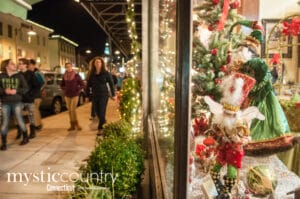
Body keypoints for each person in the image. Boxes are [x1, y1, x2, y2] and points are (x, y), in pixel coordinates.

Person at [230, 20, 298, 155]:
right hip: (249, 94)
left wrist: (252, 91)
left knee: (258, 119)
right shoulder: (246, 64)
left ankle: (254, 143)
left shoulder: (257, 63)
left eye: (246, 48)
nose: (242, 51)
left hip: (260, 96)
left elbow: (264, 80)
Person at [0, 59, 29, 150]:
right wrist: (4, 91)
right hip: (5, 102)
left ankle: (25, 137)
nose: (14, 65)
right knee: (5, 122)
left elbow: (25, 88)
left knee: (19, 119)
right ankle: (4, 143)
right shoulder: (1, 76)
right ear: (6, 66)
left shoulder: (19, 76)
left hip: (17, 102)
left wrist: (16, 91)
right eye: (12, 63)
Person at [86, 56, 116, 135]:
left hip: (104, 95)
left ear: (102, 63)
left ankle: (101, 128)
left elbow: (111, 83)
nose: (98, 63)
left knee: (102, 112)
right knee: (97, 112)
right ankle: (103, 120)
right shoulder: (91, 74)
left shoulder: (106, 73)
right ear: (94, 64)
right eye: (96, 62)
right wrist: (87, 95)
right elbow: (88, 85)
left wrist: (113, 94)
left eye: (99, 62)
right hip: (95, 95)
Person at [17, 58, 41, 139]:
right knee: (18, 115)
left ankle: (32, 132)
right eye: (18, 63)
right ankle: (20, 131)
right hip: (20, 99)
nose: (19, 65)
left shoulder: (31, 74)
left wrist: (31, 94)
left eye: (20, 63)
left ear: (25, 65)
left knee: (31, 116)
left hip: (29, 99)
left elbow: (37, 86)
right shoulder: (18, 74)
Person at [61, 62, 85, 131]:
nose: (68, 68)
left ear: (72, 67)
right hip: (67, 95)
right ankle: (72, 125)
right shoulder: (64, 76)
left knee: (72, 109)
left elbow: (82, 84)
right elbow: (62, 84)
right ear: (66, 68)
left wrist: (78, 89)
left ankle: (76, 124)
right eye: (67, 67)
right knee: (69, 111)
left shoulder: (76, 75)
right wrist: (64, 89)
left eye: (69, 66)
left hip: (75, 95)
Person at [28, 59, 45, 131]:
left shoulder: (37, 73)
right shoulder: (31, 73)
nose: (28, 66)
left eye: (29, 64)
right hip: (32, 95)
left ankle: (37, 125)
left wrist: (38, 90)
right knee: (34, 110)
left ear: (32, 65)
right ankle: (37, 124)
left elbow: (43, 83)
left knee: (35, 109)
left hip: (36, 95)